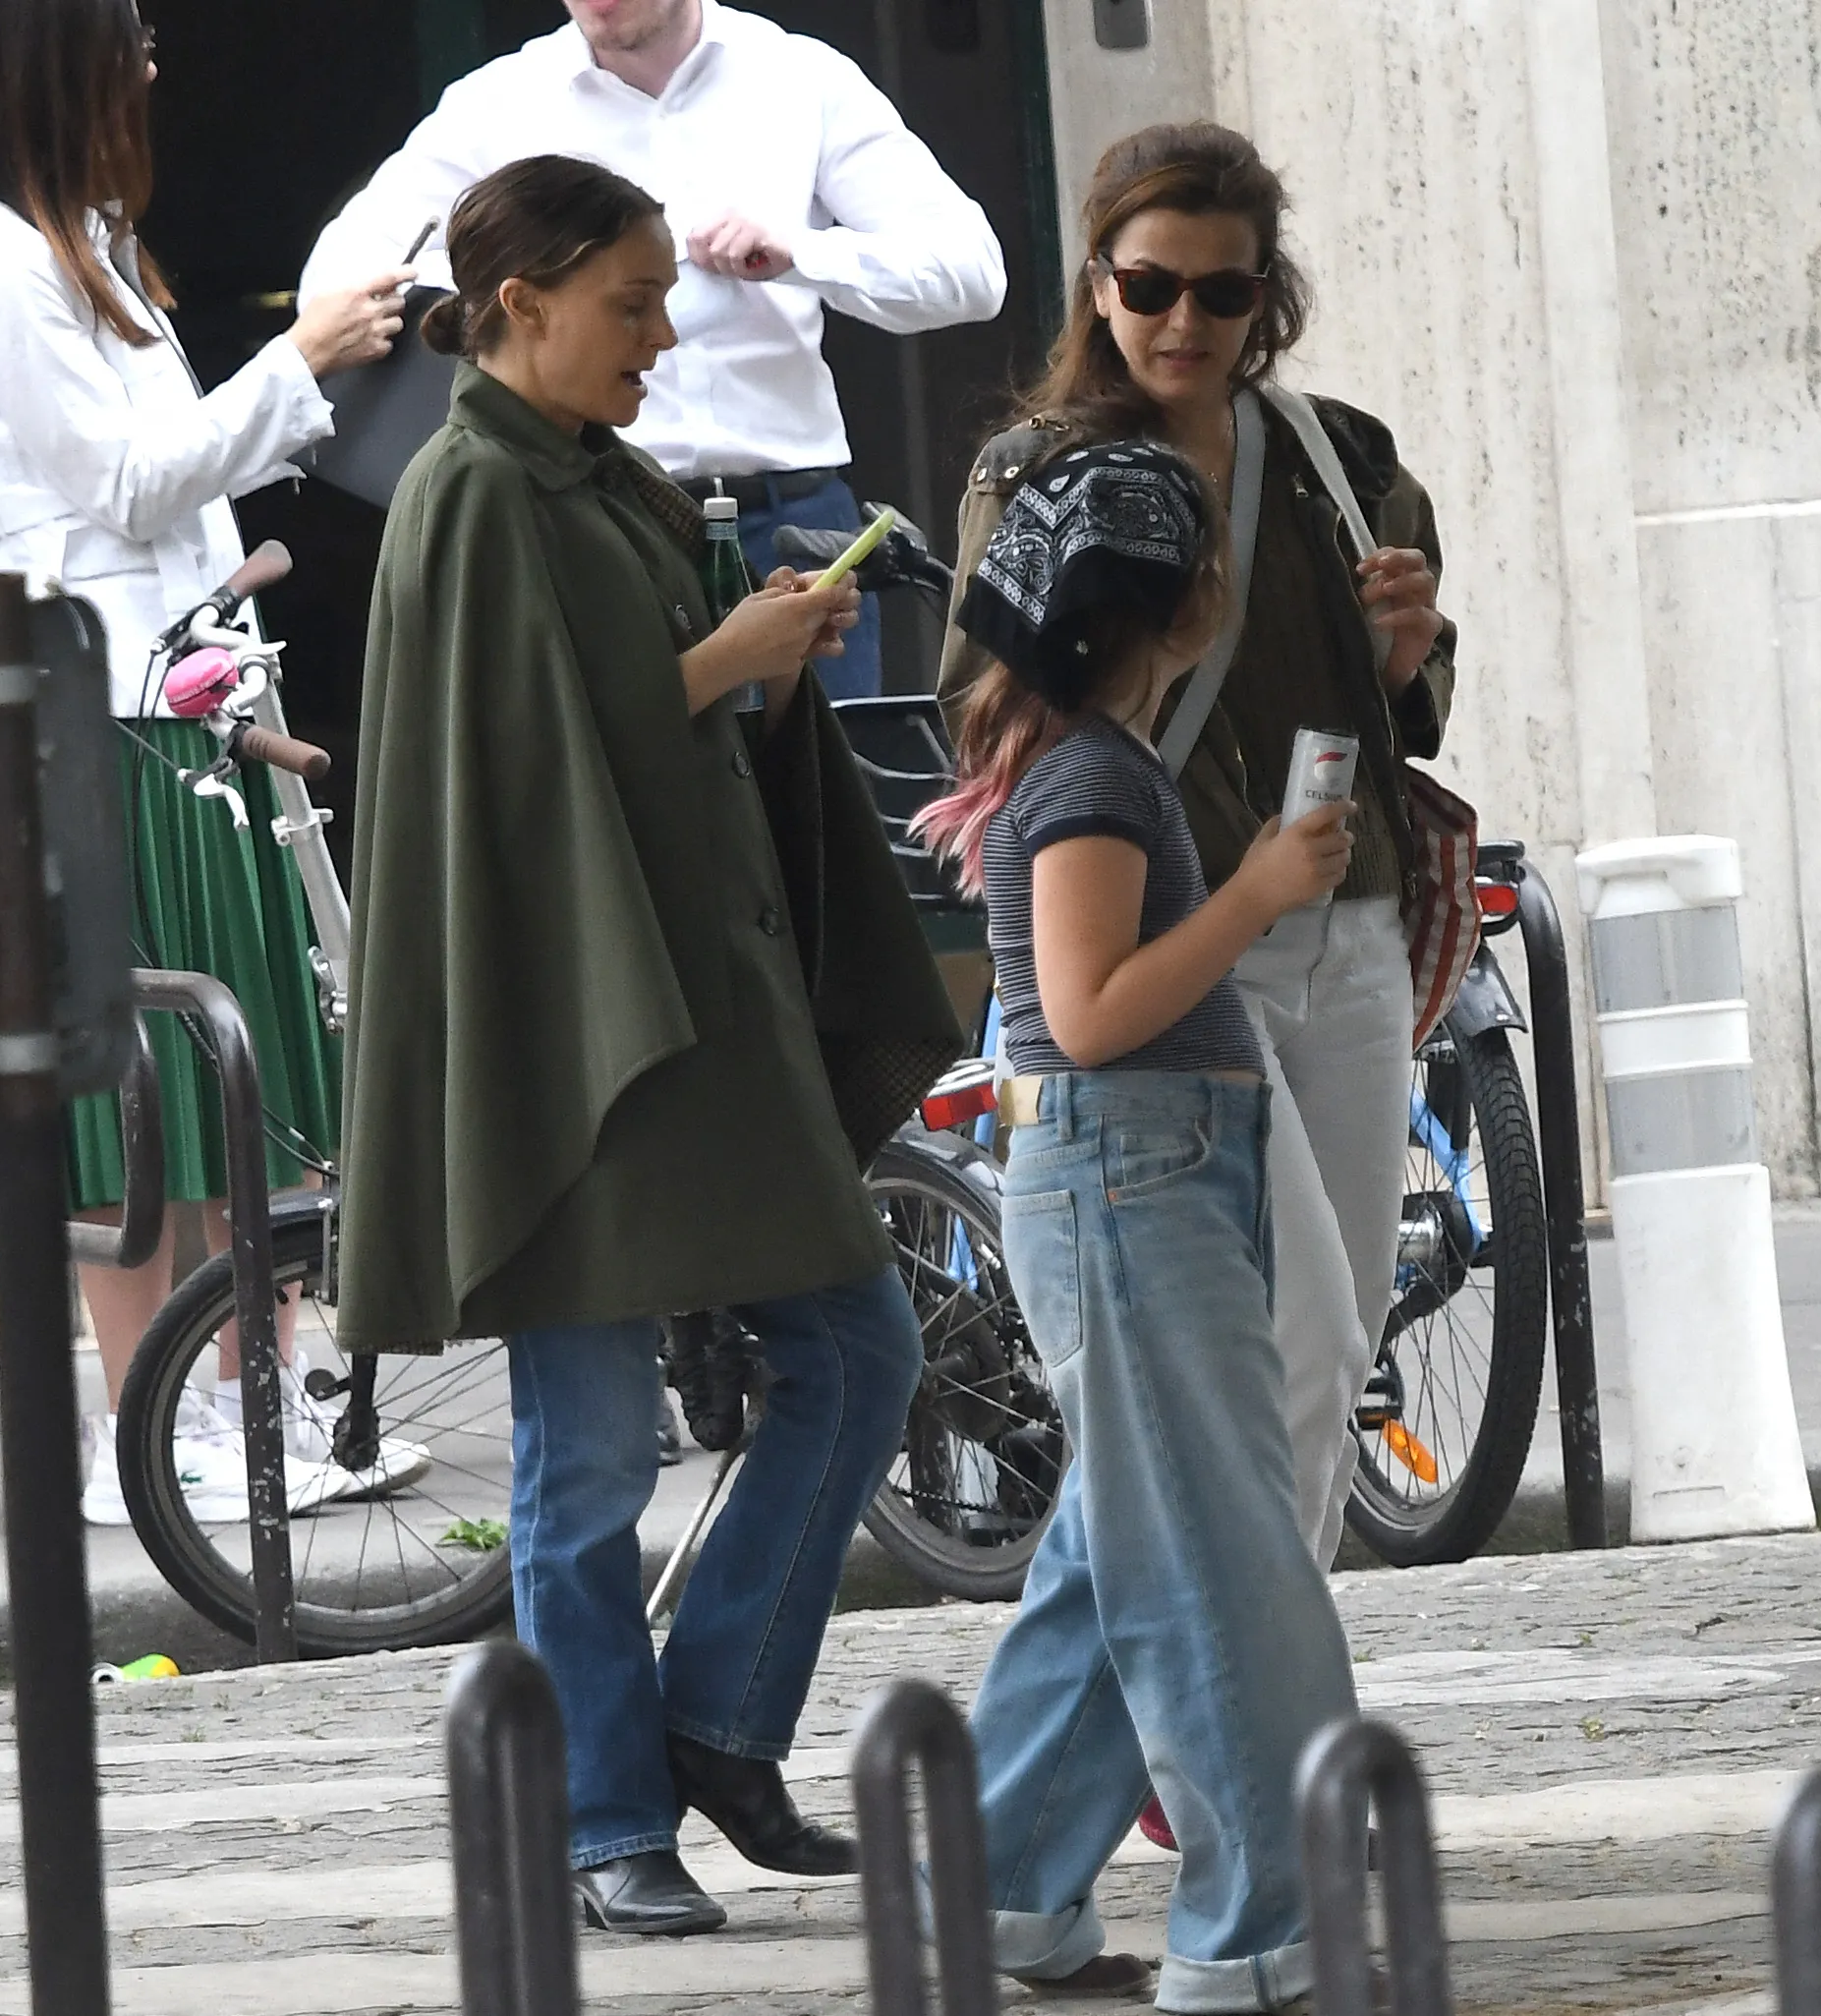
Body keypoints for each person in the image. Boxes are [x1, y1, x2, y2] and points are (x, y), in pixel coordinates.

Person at [333, 154, 965, 1936]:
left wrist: (759, 655)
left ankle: (709, 1726)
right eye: (629, 302)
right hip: (572, 1038)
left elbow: (623, 722)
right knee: (589, 1450)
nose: (660, 333)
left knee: (857, 1346)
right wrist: (724, 658)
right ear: (522, 302)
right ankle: (613, 1814)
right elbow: (511, 768)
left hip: (694, 1012)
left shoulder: (603, 477)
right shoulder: (465, 490)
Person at [0, 0, 422, 1525]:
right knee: (127, 1092)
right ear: (52, 58)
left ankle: (242, 1402)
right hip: (93, 704)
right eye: (120, 35)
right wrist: (298, 358)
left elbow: (176, 468)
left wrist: (305, 393)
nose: (146, 59)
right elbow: (122, 484)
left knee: (213, 1078)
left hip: (168, 689)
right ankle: (153, 1428)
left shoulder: (86, 240)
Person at [941, 121, 1455, 1581]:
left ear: (1263, 298)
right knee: (1245, 1351)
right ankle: (1224, 1690)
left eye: (1221, 294)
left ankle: (1250, 1671)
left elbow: (1404, 713)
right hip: (1160, 943)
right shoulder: (1031, 476)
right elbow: (975, 724)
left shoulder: (1341, 460)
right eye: (1150, 285)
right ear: (1098, 283)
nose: (1183, 322)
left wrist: (1410, 651)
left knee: (1332, 1333)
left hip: (1340, 925)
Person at [915, 440, 1361, 2009]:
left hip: (1140, 1170)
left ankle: (994, 1892)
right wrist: (1255, 892)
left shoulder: (1080, 760)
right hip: (1132, 1166)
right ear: (1179, 612)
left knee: (1127, 1549)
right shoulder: (1095, 779)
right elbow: (1090, 1014)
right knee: (1214, 1564)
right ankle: (1255, 1936)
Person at [300, 0, 1010, 700]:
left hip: (788, 526)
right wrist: (538, 284)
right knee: (628, 795)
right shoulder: (500, 103)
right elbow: (339, 280)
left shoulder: (800, 77)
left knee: (826, 800)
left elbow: (969, 274)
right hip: (598, 520)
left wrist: (800, 253)